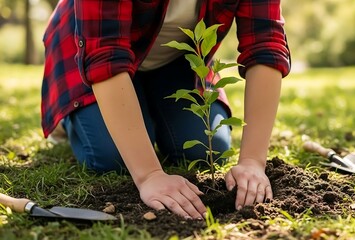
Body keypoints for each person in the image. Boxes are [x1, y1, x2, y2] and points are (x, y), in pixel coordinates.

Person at [41, 0, 290, 220]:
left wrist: (252, 161)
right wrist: (149, 175)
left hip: (174, 61)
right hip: (87, 47)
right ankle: (71, 117)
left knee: (206, 149)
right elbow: (104, 52)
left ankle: (145, 99)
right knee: (111, 157)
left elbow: (265, 41)